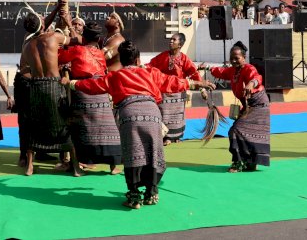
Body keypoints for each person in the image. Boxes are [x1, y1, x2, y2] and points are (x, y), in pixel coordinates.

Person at [62, 41, 213, 209]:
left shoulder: (115, 76)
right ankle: (151, 193)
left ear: (121, 60)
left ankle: (134, 197)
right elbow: (172, 82)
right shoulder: (151, 73)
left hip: (129, 116)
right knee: (154, 152)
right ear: (138, 60)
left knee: (133, 153)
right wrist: (197, 84)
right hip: (153, 114)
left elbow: (93, 85)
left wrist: (70, 82)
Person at [18, 0, 81, 176]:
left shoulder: (27, 46)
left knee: (34, 125)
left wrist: (56, 8)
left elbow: (24, 69)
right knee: (65, 123)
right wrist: (68, 22)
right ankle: (75, 167)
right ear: (42, 23)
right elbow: (76, 40)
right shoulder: (53, 37)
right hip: (54, 86)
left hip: (35, 87)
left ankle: (30, 166)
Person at [58, 21, 121, 173]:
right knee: (107, 128)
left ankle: (76, 166)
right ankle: (113, 166)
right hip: (101, 91)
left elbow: (59, 57)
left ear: (83, 38)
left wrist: (62, 42)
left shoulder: (78, 50)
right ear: (98, 39)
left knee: (79, 128)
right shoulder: (100, 53)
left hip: (84, 91)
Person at [208, 42, 270, 172]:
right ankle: (250, 162)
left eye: (237, 58)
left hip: (258, 105)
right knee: (243, 132)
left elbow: (257, 77)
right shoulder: (232, 71)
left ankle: (239, 162)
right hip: (247, 106)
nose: (234, 60)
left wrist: (251, 84)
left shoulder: (249, 68)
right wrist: (207, 68)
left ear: (244, 57)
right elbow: (220, 72)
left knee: (235, 130)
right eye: (232, 58)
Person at [146, 33, 202, 145]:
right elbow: (150, 66)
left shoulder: (184, 59)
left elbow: (194, 74)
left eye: (174, 40)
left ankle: (176, 137)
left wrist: (202, 89)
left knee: (177, 117)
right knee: (163, 114)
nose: (171, 41)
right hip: (163, 92)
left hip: (178, 93)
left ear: (180, 44)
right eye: (170, 39)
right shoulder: (162, 56)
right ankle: (165, 137)